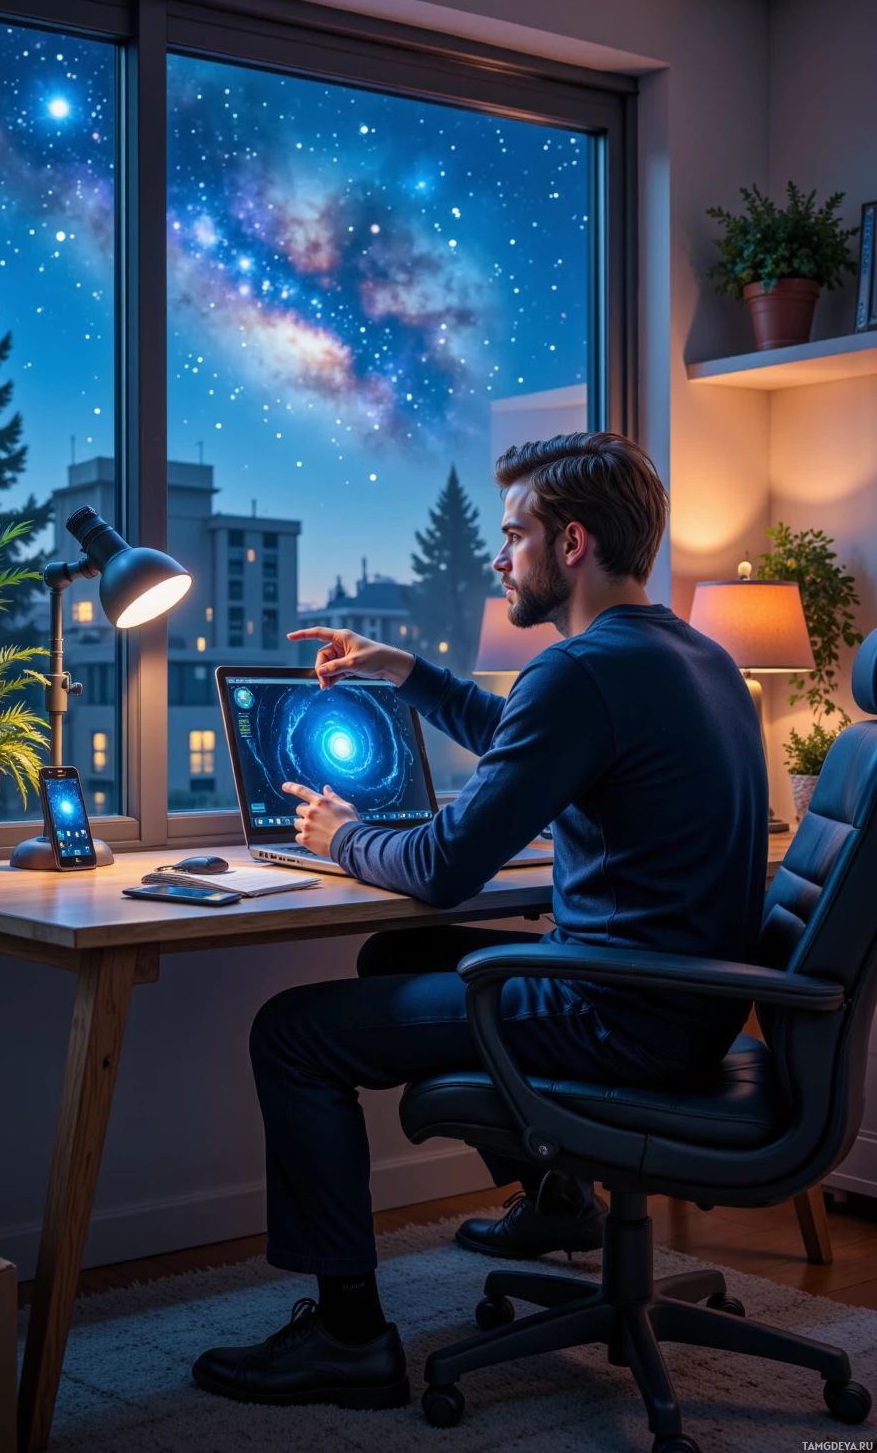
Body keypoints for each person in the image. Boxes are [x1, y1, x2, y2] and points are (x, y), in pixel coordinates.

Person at [192, 432, 768, 1409]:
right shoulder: (690, 655)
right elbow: (524, 738)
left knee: (292, 1034)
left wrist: (339, 837)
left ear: (570, 542)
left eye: (513, 536)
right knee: (398, 952)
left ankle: (347, 1337)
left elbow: (443, 866)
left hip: (616, 1015)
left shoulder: (581, 671)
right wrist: (406, 671)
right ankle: (554, 1202)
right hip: (682, 1003)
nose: (498, 558)